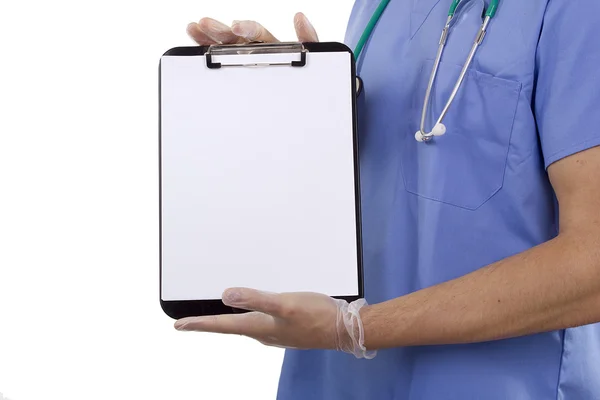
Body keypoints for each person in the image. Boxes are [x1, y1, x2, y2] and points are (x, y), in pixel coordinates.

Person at [176, 2, 600, 399]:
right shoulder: (379, 7)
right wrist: (298, 100)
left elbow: (592, 263)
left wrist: (355, 329)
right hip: (333, 381)